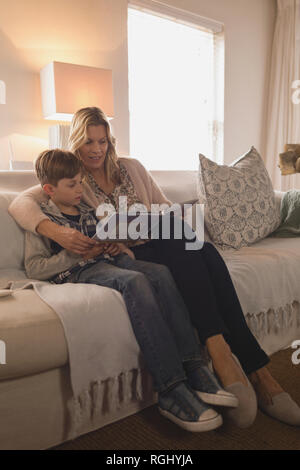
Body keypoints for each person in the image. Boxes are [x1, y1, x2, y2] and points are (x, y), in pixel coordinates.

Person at [9, 107, 300, 428]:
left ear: (110, 141)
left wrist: (154, 222)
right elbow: (20, 203)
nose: (96, 149)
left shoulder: (131, 167)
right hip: (132, 255)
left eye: (102, 141)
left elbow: (165, 211)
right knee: (194, 249)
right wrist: (54, 230)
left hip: (162, 243)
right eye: (89, 141)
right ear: (76, 141)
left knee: (203, 251)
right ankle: (247, 365)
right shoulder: (75, 179)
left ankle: (234, 357)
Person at [24, 148, 240, 433]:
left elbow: (109, 239)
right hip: (79, 271)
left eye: (80, 182)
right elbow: (36, 268)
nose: (80, 189)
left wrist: (115, 245)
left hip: (108, 259)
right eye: (72, 184)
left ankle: (194, 365)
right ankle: (170, 387)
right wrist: (77, 253)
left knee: (162, 274)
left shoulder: (88, 209)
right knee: (134, 282)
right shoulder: (44, 220)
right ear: (49, 189)